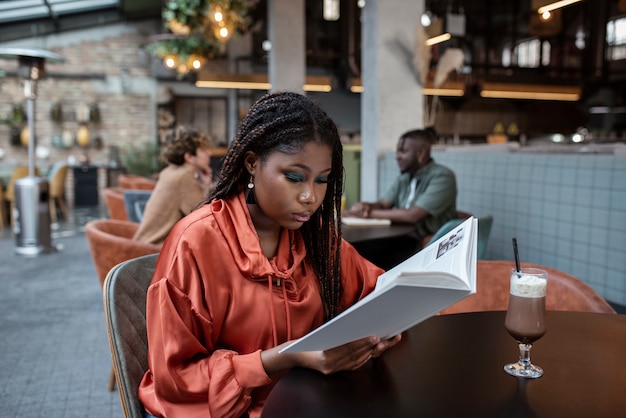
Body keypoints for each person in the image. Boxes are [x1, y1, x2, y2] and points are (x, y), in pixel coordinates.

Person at [138, 92, 401, 418]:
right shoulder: (195, 243)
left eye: (322, 181)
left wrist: (387, 325)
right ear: (252, 164)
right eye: (294, 177)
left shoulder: (316, 240)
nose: (311, 197)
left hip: (304, 402)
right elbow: (174, 380)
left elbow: (376, 288)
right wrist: (286, 356)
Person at [344, 127, 457, 242]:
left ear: (421, 153)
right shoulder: (405, 177)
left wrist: (365, 214)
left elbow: (412, 215)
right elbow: (383, 204)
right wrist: (366, 206)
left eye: (403, 151)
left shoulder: (442, 177)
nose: (397, 156)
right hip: (402, 236)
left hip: (427, 242)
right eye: (398, 151)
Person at [133, 126, 214, 245]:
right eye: (203, 149)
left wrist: (205, 184)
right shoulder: (183, 177)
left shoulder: (170, 171)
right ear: (189, 157)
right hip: (154, 253)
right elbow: (205, 220)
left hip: (144, 246)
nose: (209, 153)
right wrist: (208, 186)